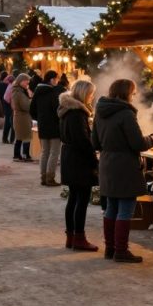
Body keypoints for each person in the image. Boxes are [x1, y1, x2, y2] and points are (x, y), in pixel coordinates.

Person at [92, 79, 153, 263]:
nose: (134, 96)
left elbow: (95, 142)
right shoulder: (126, 114)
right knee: (125, 209)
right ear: (126, 93)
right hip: (125, 166)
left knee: (111, 207)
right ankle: (121, 250)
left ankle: (110, 249)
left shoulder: (100, 111)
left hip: (106, 164)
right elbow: (138, 143)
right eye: (133, 92)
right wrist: (152, 139)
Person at [59, 80, 99, 252]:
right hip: (78, 160)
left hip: (70, 157)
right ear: (84, 94)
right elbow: (83, 141)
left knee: (73, 198)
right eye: (90, 94)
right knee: (81, 199)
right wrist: (94, 162)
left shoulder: (66, 110)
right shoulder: (77, 113)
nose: (92, 97)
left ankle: (71, 237)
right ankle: (79, 238)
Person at [32, 70, 67, 187]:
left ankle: (43, 177)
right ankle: (50, 178)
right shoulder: (53, 92)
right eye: (56, 79)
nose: (57, 81)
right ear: (52, 79)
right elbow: (56, 110)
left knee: (44, 152)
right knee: (54, 152)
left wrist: (40, 118)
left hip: (42, 125)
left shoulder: (37, 91)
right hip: (54, 126)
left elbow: (32, 109)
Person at [11, 74, 34, 162]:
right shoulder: (19, 92)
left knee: (21, 136)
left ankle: (19, 155)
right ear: (20, 81)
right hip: (22, 117)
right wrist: (31, 101)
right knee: (24, 136)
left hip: (22, 117)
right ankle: (23, 155)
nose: (27, 83)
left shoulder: (20, 91)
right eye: (25, 81)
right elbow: (25, 106)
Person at [0, 72, 16, 144]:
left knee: (9, 123)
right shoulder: (12, 86)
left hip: (7, 104)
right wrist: (13, 108)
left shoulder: (9, 86)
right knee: (11, 122)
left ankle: (7, 138)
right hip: (9, 104)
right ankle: (9, 139)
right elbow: (10, 98)